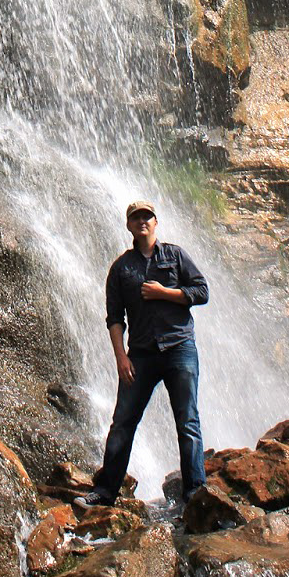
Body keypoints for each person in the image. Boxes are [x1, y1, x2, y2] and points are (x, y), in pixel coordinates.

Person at [77, 200, 208, 507]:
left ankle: (195, 491)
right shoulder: (122, 268)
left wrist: (167, 293)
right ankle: (106, 491)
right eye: (136, 218)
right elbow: (114, 317)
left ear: (155, 222)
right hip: (140, 355)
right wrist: (121, 357)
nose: (142, 221)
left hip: (179, 348)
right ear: (129, 226)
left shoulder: (175, 256)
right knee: (123, 421)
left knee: (187, 420)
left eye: (146, 216)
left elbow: (202, 291)